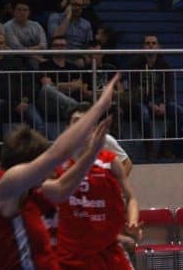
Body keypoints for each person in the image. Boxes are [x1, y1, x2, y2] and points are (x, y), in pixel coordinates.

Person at [0, 77, 116, 270]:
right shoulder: (6, 184)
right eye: (41, 163)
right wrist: (99, 107)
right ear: (28, 163)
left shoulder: (30, 190)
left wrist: (92, 153)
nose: (49, 170)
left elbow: (62, 188)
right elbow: (57, 154)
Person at [44, 105, 141, 270]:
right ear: (68, 128)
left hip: (107, 250)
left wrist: (132, 222)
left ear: (94, 129)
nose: (82, 127)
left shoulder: (110, 161)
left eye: (87, 122)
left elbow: (131, 198)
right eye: (76, 122)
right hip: (70, 254)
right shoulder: (55, 164)